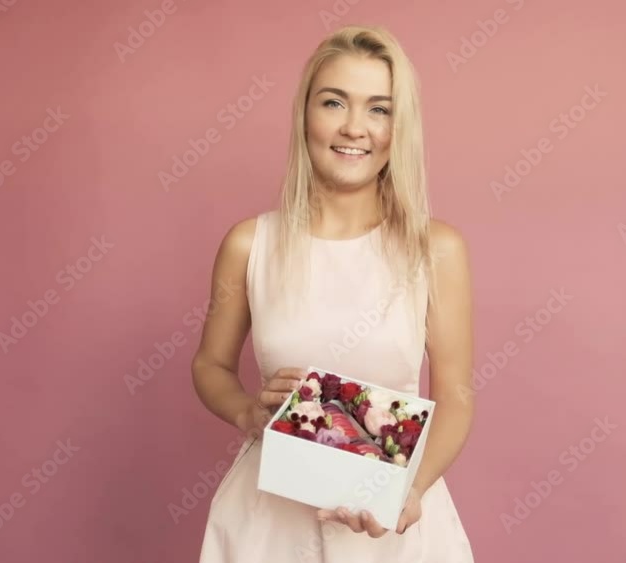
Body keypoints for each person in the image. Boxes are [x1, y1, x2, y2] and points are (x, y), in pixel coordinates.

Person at [191, 24, 475, 562]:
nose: (353, 127)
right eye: (333, 102)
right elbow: (210, 366)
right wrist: (248, 414)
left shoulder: (436, 250)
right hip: (267, 526)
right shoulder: (250, 244)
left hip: (398, 526)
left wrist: (408, 495)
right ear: (305, 115)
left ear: (400, 126)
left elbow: (457, 398)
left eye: (379, 109)